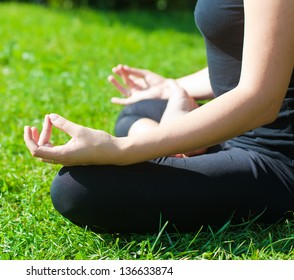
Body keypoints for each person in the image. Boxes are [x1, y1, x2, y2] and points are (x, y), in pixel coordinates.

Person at [24, 0, 294, 233]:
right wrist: (170, 87)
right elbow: (257, 61)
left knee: (75, 189)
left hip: (276, 158)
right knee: (137, 111)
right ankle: (186, 140)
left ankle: (183, 141)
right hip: (234, 130)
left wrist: (120, 149)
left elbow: (262, 100)